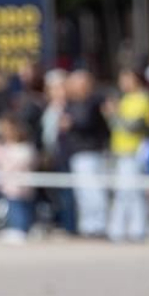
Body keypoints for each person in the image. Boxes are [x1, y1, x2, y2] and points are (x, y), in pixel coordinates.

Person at [62, 69, 112, 237]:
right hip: (76, 152)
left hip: (91, 152)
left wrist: (72, 123)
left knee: (94, 191)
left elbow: (87, 122)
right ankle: (87, 226)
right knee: (83, 193)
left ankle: (99, 226)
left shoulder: (93, 102)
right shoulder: (71, 103)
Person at [106, 67, 149, 243]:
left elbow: (134, 127)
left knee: (133, 192)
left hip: (134, 152)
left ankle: (137, 229)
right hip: (121, 151)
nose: (123, 83)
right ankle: (119, 229)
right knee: (122, 192)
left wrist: (114, 113)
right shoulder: (125, 99)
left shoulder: (142, 99)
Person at [0, 112, 36, 244]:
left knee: (19, 207)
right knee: (10, 206)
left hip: (19, 184)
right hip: (7, 184)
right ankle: (13, 227)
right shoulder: (4, 146)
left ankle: (20, 229)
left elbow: (19, 162)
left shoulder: (24, 147)